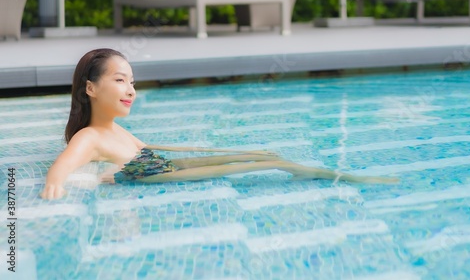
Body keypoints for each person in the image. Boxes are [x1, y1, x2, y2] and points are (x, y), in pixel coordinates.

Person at [40, 48, 399, 200]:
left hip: (155, 165)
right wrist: (54, 188)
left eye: (132, 81)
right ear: (90, 88)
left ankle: (300, 169)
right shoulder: (89, 137)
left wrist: (225, 149)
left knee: (260, 156)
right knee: (268, 163)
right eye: (120, 80)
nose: (131, 89)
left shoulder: (115, 131)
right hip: (149, 173)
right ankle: (345, 178)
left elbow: (164, 152)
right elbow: (60, 169)